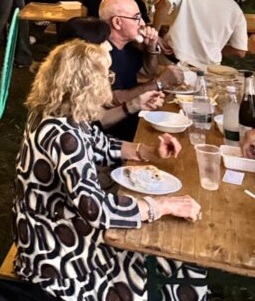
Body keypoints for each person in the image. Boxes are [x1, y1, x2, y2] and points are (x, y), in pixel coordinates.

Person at [13, 39, 204, 301]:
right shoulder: (62, 135)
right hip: (57, 257)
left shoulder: (60, 113)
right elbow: (96, 210)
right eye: (107, 75)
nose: (110, 81)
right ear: (87, 84)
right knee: (167, 272)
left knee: (169, 261)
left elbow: (101, 144)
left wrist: (148, 151)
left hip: (57, 233)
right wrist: (162, 206)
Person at [98, 0, 183, 140]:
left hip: (135, 120)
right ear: (117, 22)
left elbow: (148, 72)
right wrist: (160, 83)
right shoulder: (102, 53)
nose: (143, 23)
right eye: (137, 18)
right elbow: (114, 99)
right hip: (114, 135)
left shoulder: (127, 46)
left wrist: (151, 46)